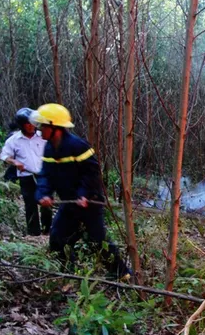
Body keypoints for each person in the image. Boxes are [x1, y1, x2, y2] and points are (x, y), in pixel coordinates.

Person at [31, 103, 131, 279]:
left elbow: (92, 173)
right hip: (69, 204)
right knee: (57, 237)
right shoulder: (48, 149)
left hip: (90, 203)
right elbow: (45, 175)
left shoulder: (78, 146)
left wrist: (83, 194)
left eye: (43, 126)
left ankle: (123, 274)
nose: (40, 130)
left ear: (55, 127)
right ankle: (65, 273)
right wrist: (43, 194)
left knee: (99, 241)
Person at [0, 108, 52, 236]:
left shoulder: (42, 137)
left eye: (32, 123)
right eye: (27, 124)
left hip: (43, 176)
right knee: (30, 204)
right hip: (26, 177)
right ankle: (34, 233)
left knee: (46, 204)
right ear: (21, 126)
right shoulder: (13, 140)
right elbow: (5, 156)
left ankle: (48, 230)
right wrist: (15, 162)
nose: (30, 126)